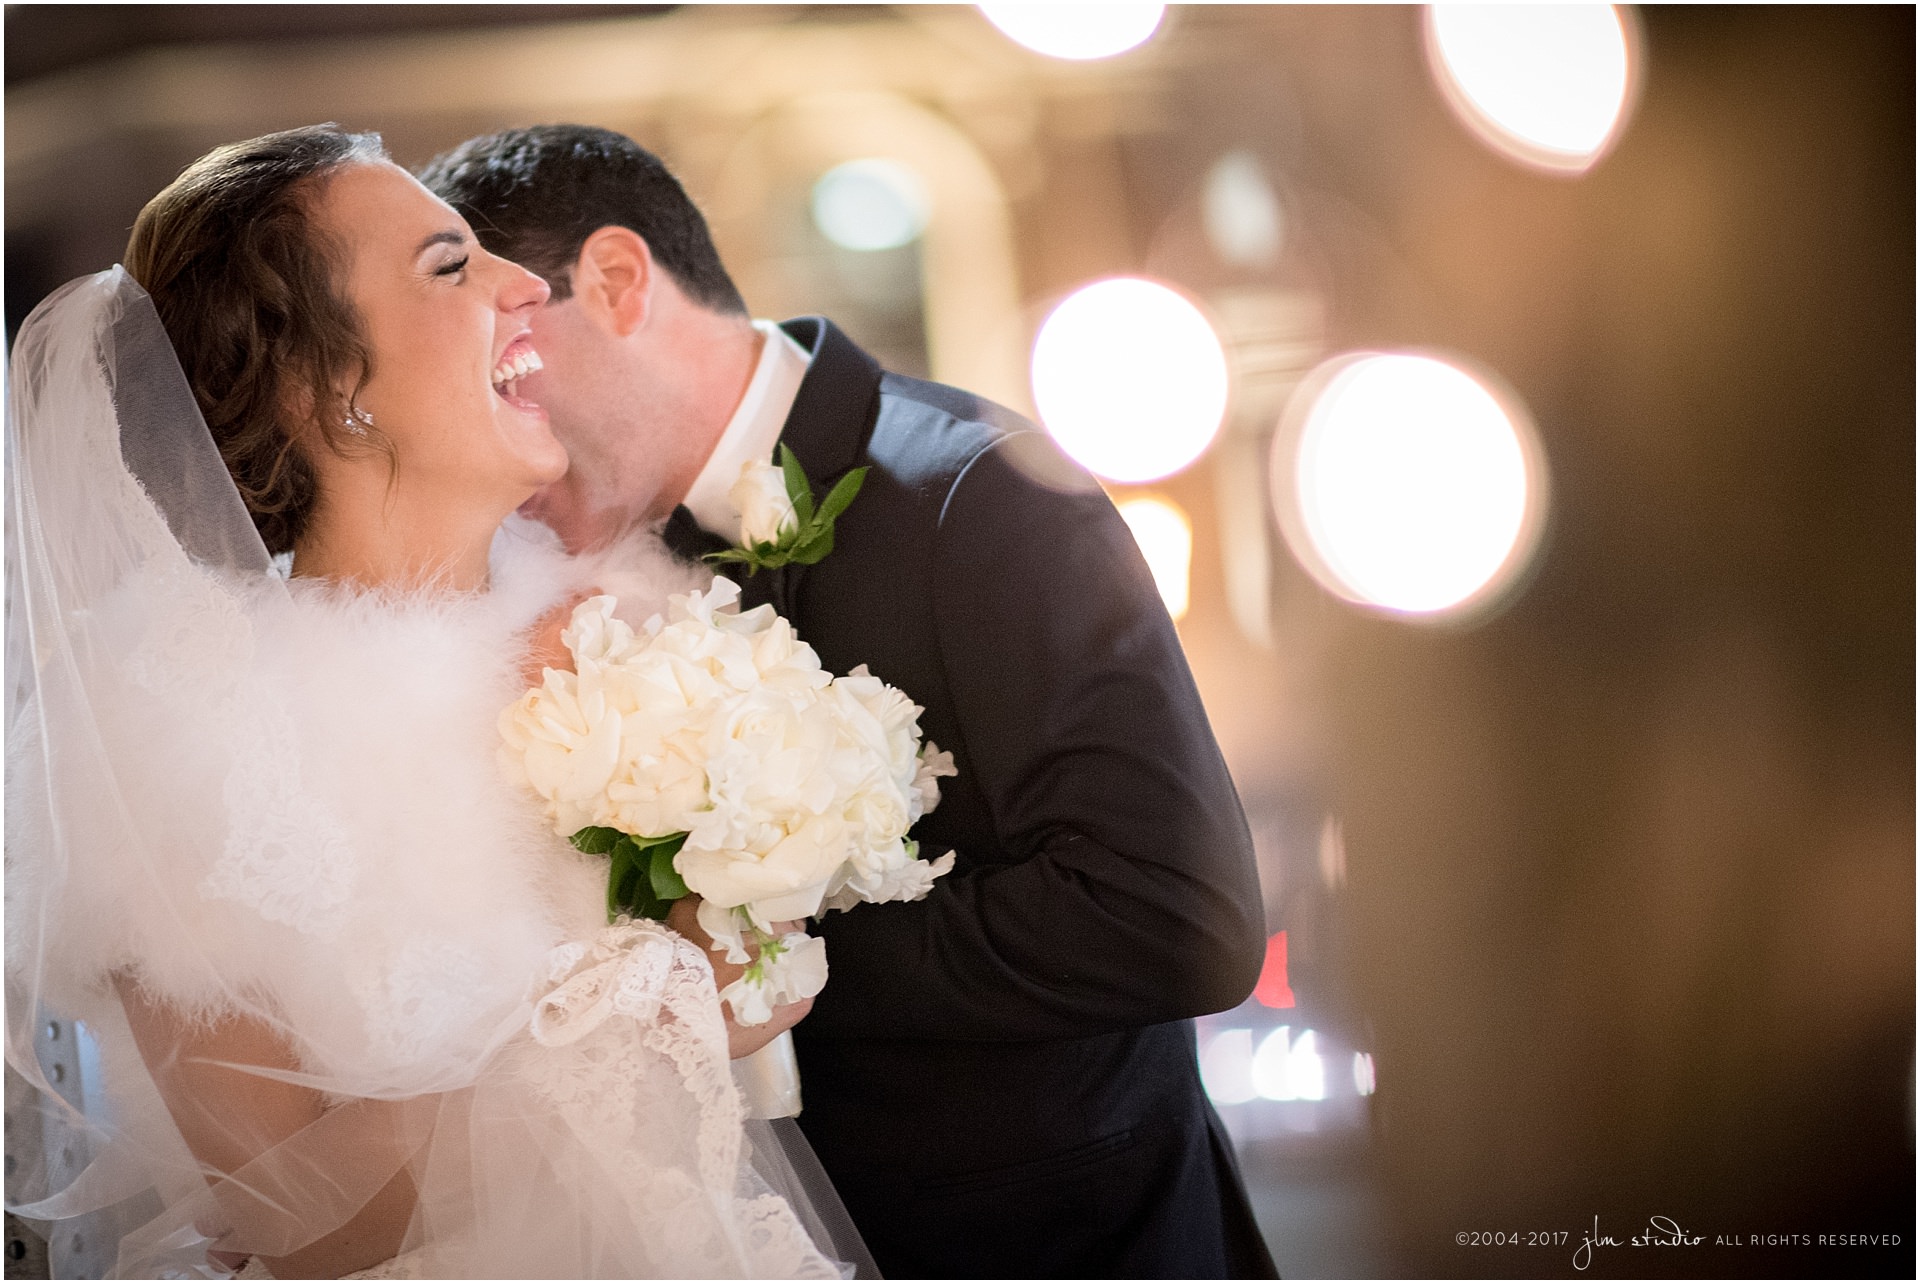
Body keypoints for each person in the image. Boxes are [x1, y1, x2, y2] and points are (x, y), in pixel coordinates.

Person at [4, 125, 864, 1279]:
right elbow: (293, 1216)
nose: (522, 285)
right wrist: (661, 1006)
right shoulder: (175, 719)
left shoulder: (631, 625)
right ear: (328, 386)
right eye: (450, 267)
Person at [421, 124, 1279, 1279]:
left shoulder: (979, 495)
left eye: (505, 371)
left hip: (1069, 1238)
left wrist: (746, 965)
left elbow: (1175, 916)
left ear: (618, 282)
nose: (500, 426)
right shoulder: (603, 579)